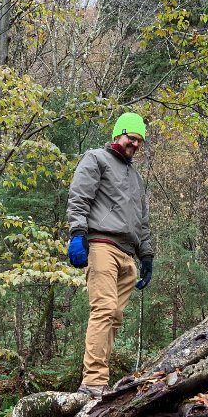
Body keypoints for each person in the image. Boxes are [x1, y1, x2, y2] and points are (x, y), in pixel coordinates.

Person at [67, 112, 153, 397]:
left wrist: (147, 256)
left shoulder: (136, 177)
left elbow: (142, 221)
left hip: (129, 255)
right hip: (102, 245)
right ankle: (93, 382)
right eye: (132, 138)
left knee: (115, 316)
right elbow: (79, 197)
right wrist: (77, 234)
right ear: (119, 134)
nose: (135, 144)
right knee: (103, 310)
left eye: (140, 140)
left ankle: (100, 379)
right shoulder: (96, 159)